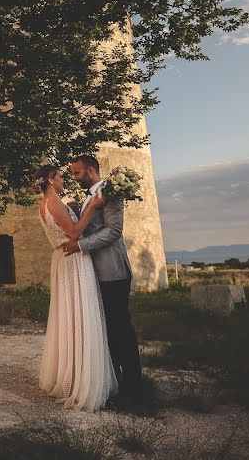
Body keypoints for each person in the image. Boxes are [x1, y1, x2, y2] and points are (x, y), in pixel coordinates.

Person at [34, 163, 118, 411]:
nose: (63, 181)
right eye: (60, 177)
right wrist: (92, 207)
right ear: (51, 180)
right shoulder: (55, 202)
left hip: (62, 259)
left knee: (69, 319)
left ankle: (70, 374)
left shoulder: (44, 206)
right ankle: (82, 381)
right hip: (74, 260)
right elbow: (74, 233)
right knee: (81, 316)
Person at [62, 155, 143, 401]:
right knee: (107, 329)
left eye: (77, 173)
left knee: (120, 328)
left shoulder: (111, 192)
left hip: (113, 272)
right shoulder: (90, 197)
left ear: (91, 170)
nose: (75, 178)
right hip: (97, 274)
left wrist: (81, 245)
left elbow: (114, 231)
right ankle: (114, 381)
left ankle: (133, 385)